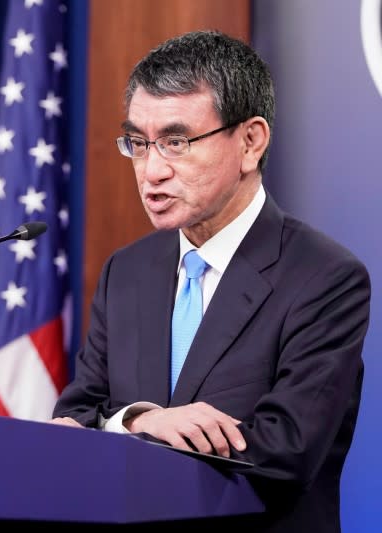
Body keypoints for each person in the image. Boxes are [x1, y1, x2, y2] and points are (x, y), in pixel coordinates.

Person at [51, 30, 370, 532]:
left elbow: (284, 450)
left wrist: (129, 431)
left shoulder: (324, 278)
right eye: (138, 142)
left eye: (176, 142)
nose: (151, 170)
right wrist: (139, 419)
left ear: (250, 142)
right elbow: (76, 413)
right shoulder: (127, 272)